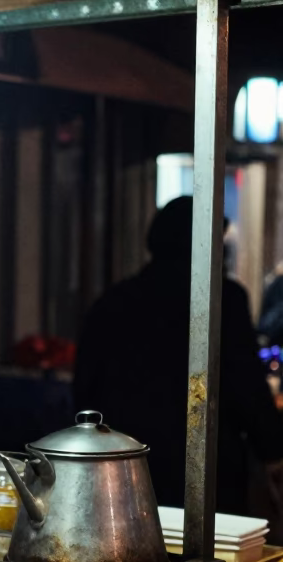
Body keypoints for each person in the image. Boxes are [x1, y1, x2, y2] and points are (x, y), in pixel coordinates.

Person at [74, 196, 283, 517]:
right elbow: (246, 384)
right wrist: (271, 449)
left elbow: (85, 390)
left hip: (125, 465)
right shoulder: (222, 299)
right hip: (203, 465)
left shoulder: (115, 301)